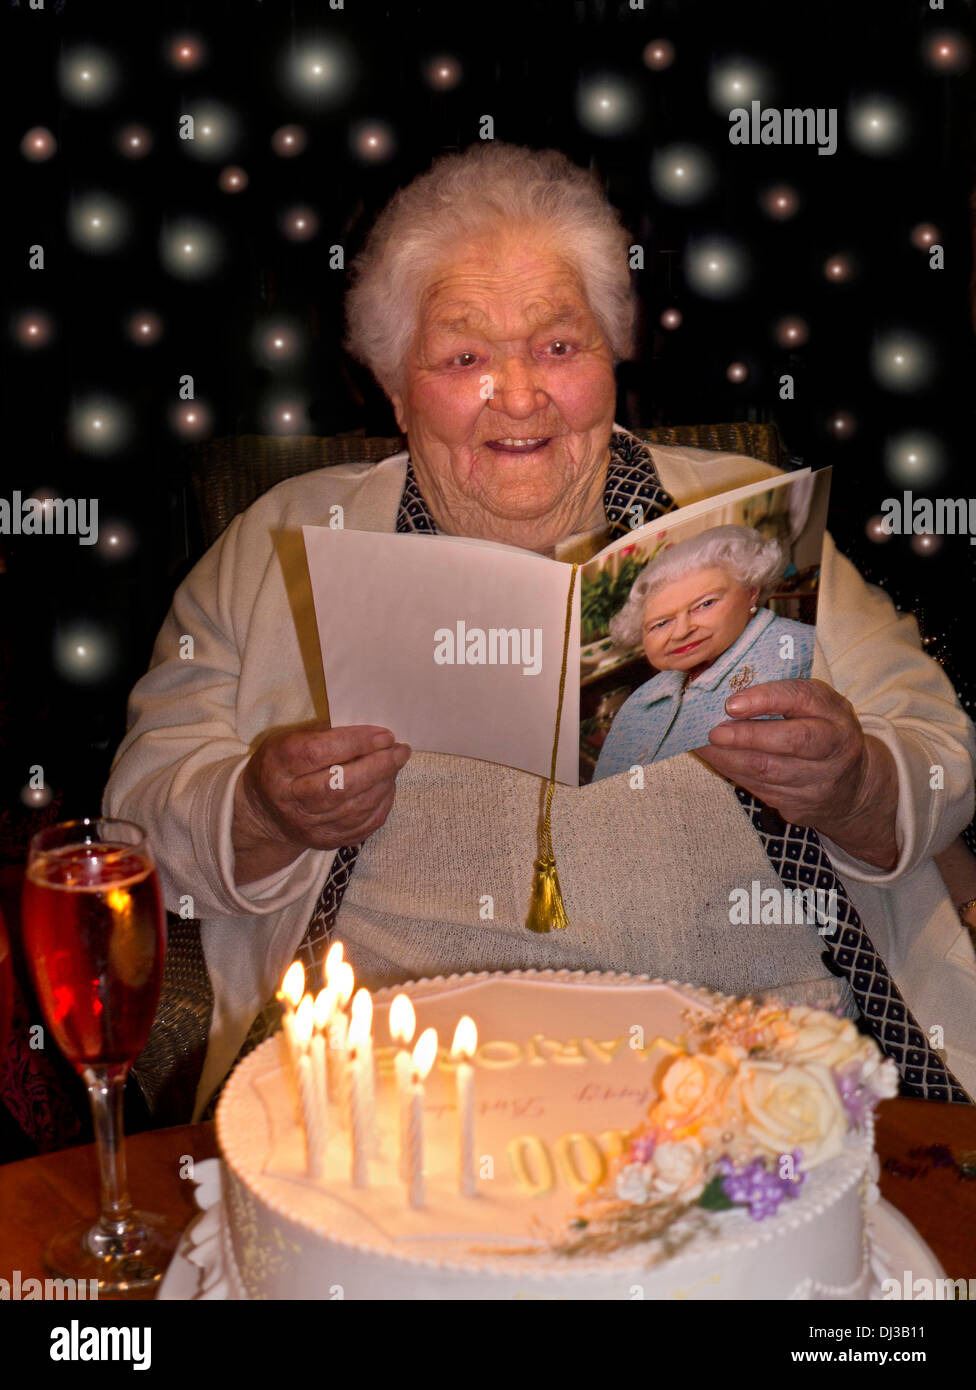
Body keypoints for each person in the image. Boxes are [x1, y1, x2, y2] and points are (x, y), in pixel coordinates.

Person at [104, 142, 976, 1117]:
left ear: (612, 361)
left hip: (759, 1063)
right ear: (394, 387)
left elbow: (940, 754)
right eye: (464, 356)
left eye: (559, 346)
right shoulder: (276, 548)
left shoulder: (744, 517)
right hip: (401, 1083)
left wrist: (855, 781)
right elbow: (138, 818)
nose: (517, 397)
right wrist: (262, 810)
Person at [593, 526, 814, 778]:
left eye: (704, 605)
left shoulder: (801, 654)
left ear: (752, 591)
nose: (681, 632)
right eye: (661, 624)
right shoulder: (642, 698)